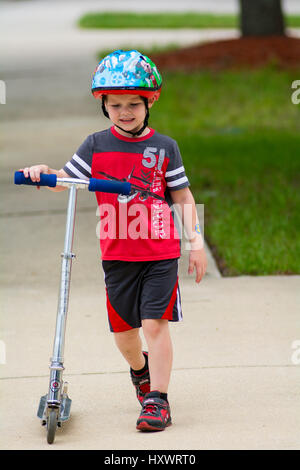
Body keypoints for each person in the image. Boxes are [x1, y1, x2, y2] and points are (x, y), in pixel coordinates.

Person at [20, 50, 207, 432]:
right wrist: (43, 173)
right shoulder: (95, 145)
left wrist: (196, 241)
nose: (125, 111)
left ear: (149, 102)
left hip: (159, 252)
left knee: (155, 323)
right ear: (103, 105)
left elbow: (183, 196)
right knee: (125, 336)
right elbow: (67, 180)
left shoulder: (165, 148)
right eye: (116, 104)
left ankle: (158, 400)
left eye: (134, 104)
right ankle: (140, 370)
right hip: (118, 255)